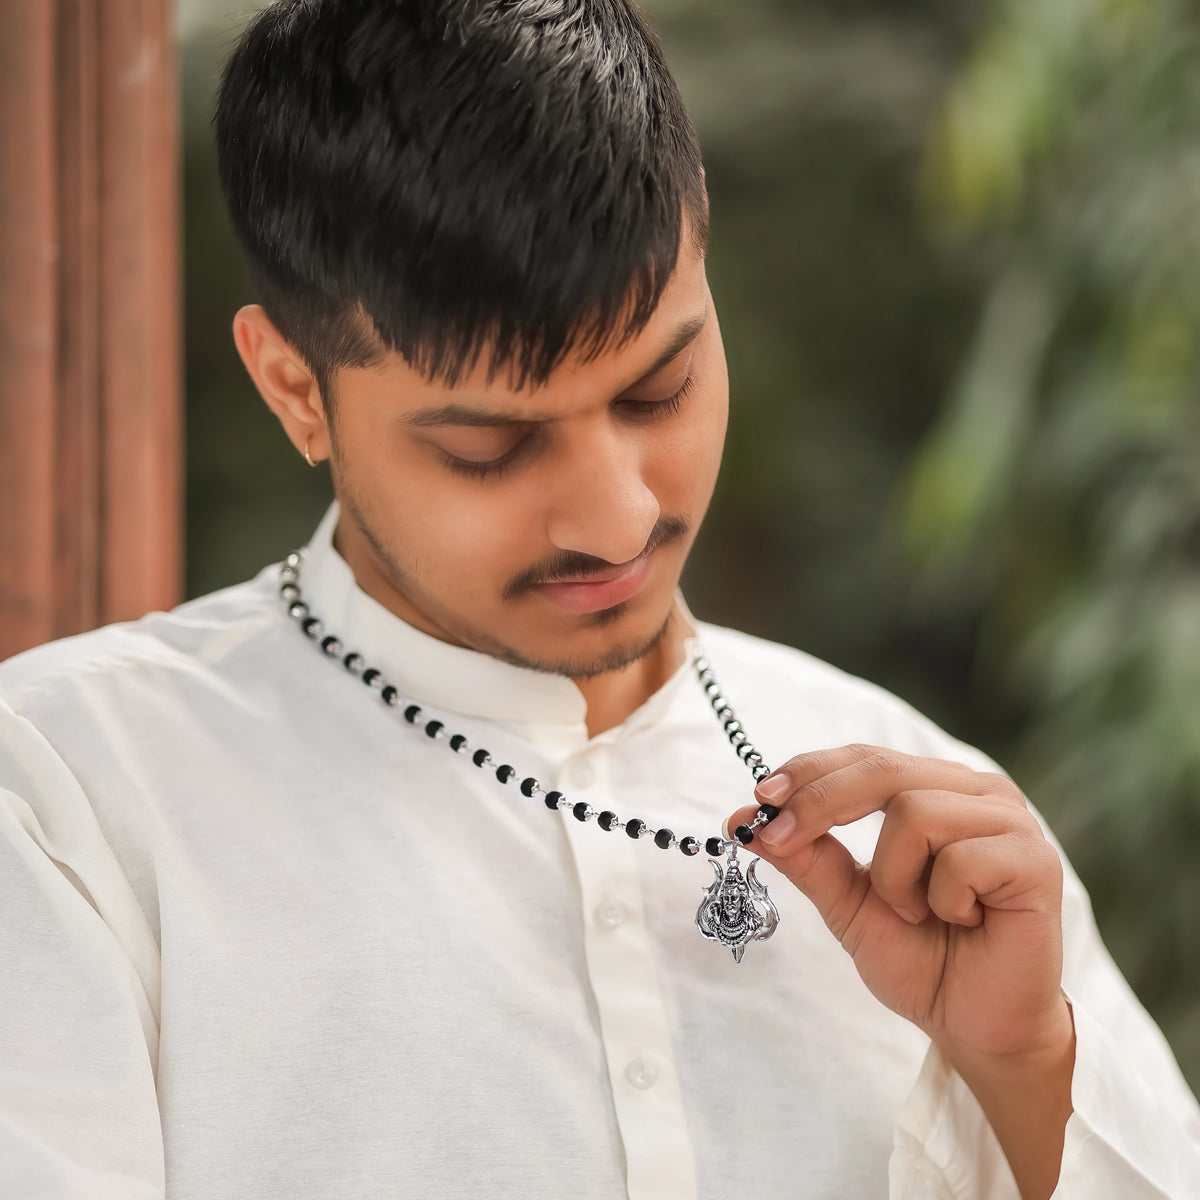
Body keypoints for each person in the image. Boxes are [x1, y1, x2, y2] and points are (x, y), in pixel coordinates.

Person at [2, 1, 1198, 1197]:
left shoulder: (921, 815)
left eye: (658, 392)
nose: (618, 519)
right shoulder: (72, 803)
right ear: (294, 390)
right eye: (489, 448)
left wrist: (1024, 1072)